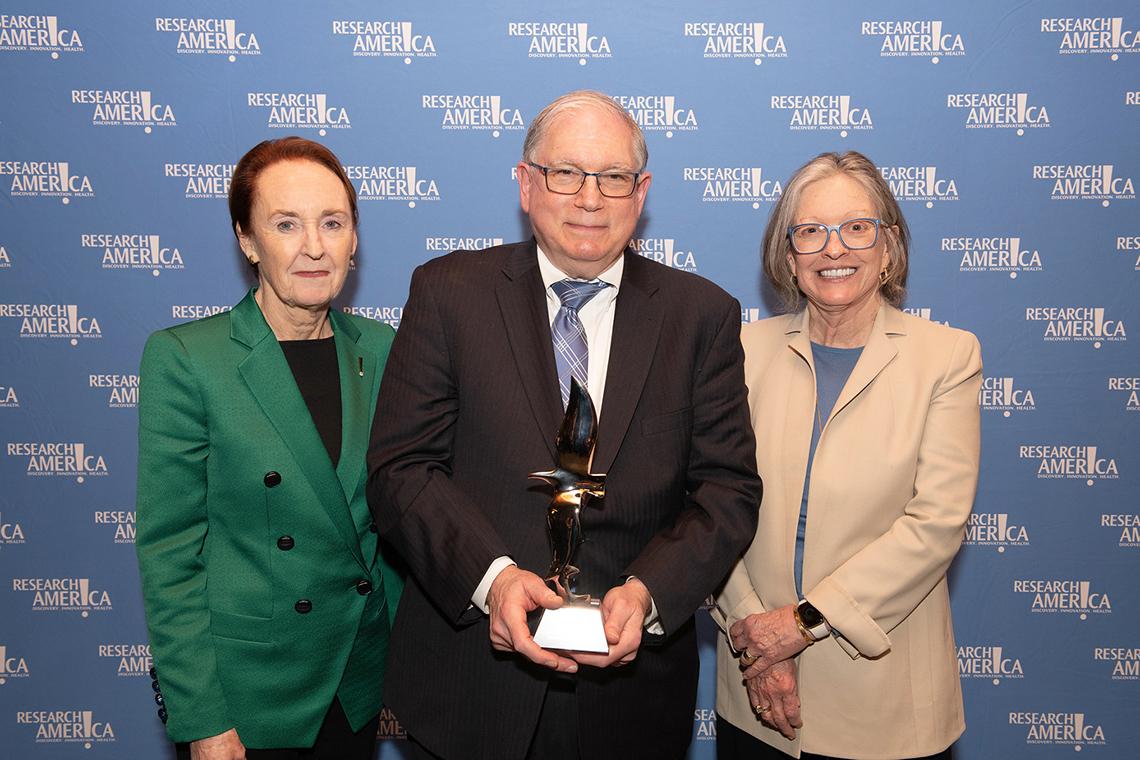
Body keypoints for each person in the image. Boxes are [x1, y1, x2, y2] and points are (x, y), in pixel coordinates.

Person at [367, 89, 762, 760]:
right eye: (565, 173)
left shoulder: (702, 316)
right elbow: (402, 471)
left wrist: (648, 593)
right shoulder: (448, 293)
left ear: (641, 194)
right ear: (526, 184)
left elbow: (726, 492)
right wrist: (492, 580)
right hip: (470, 688)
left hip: (630, 701)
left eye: (613, 178)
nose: (589, 198)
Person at [135, 136, 403, 760]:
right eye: (286, 225)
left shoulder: (384, 349)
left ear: (354, 239)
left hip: (356, 680)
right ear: (248, 241)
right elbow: (170, 556)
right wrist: (202, 719)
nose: (314, 246)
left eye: (332, 223)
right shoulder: (188, 360)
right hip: (249, 699)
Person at [712, 150, 982, 760]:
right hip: (757, 695)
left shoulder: (947, 358)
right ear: (788, 256)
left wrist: (799, 624)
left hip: (882, 705)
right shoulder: (741, 352)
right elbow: (709, 508)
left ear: (889, 248)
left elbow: (935, 524)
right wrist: (758, 639)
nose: (835, 249)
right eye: (810, 231)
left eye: (857, 227)